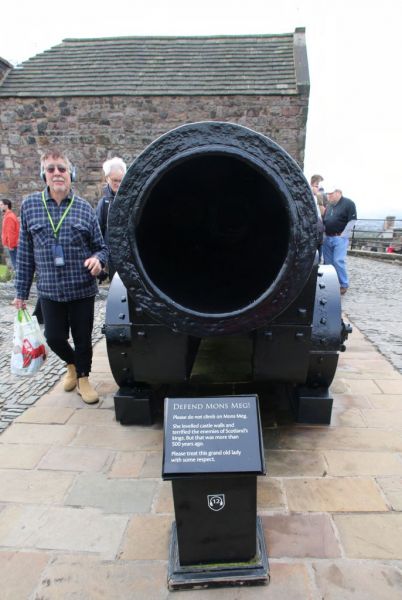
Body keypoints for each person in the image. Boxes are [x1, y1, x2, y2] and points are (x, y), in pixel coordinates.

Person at [14, 149, 108, 403]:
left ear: (71, 174)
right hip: (49, 290)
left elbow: (102, 247)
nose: (57, 173)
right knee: (54, 337)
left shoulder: (84, 208)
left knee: (83, 338)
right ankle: (72, 364)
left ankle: (84, 378)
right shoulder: (30, 206)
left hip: (81, 289)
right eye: (51, 169)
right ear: (43, 174)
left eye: (62, 169)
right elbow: (25, 253)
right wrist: (21, 293)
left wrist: (98, 260)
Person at [322, 183, 357, 295]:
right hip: (328, 237)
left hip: (339, 238)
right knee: (328, 263)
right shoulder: (330, 205)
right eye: (328, 194)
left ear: (338, 193)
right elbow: (325, 220)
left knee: (338, 261)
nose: (329, 196)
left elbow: (352, 221)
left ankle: (343, 284)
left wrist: (343, 235)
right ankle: (330, 283)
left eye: (331, 194)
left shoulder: (348, 203)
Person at [96, 156, 127, 280]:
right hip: (111, 256)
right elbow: (98, 232)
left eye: (120, 180)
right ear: (107, 178)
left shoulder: (130, 199)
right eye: (114, 180)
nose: (118, 184)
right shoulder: (103, 204)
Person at [0, 198, 20, 270]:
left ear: (6, 206)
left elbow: (10, 232)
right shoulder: (9, 215)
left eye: (1, 205)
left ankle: (17, 276)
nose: (0, 206)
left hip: (12, 245)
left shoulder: (9, 217)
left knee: (16, 265)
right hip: (13, 245)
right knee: (16, 264)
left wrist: (10, 245)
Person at [310, 174, 325, 262]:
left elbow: (322, 213)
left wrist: (320, 200)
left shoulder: (319, 197)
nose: (318, 188)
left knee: (319, 254)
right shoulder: (307, 196)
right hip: (312, 229)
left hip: (319, 228)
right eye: (316, 186)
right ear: (311, 185)